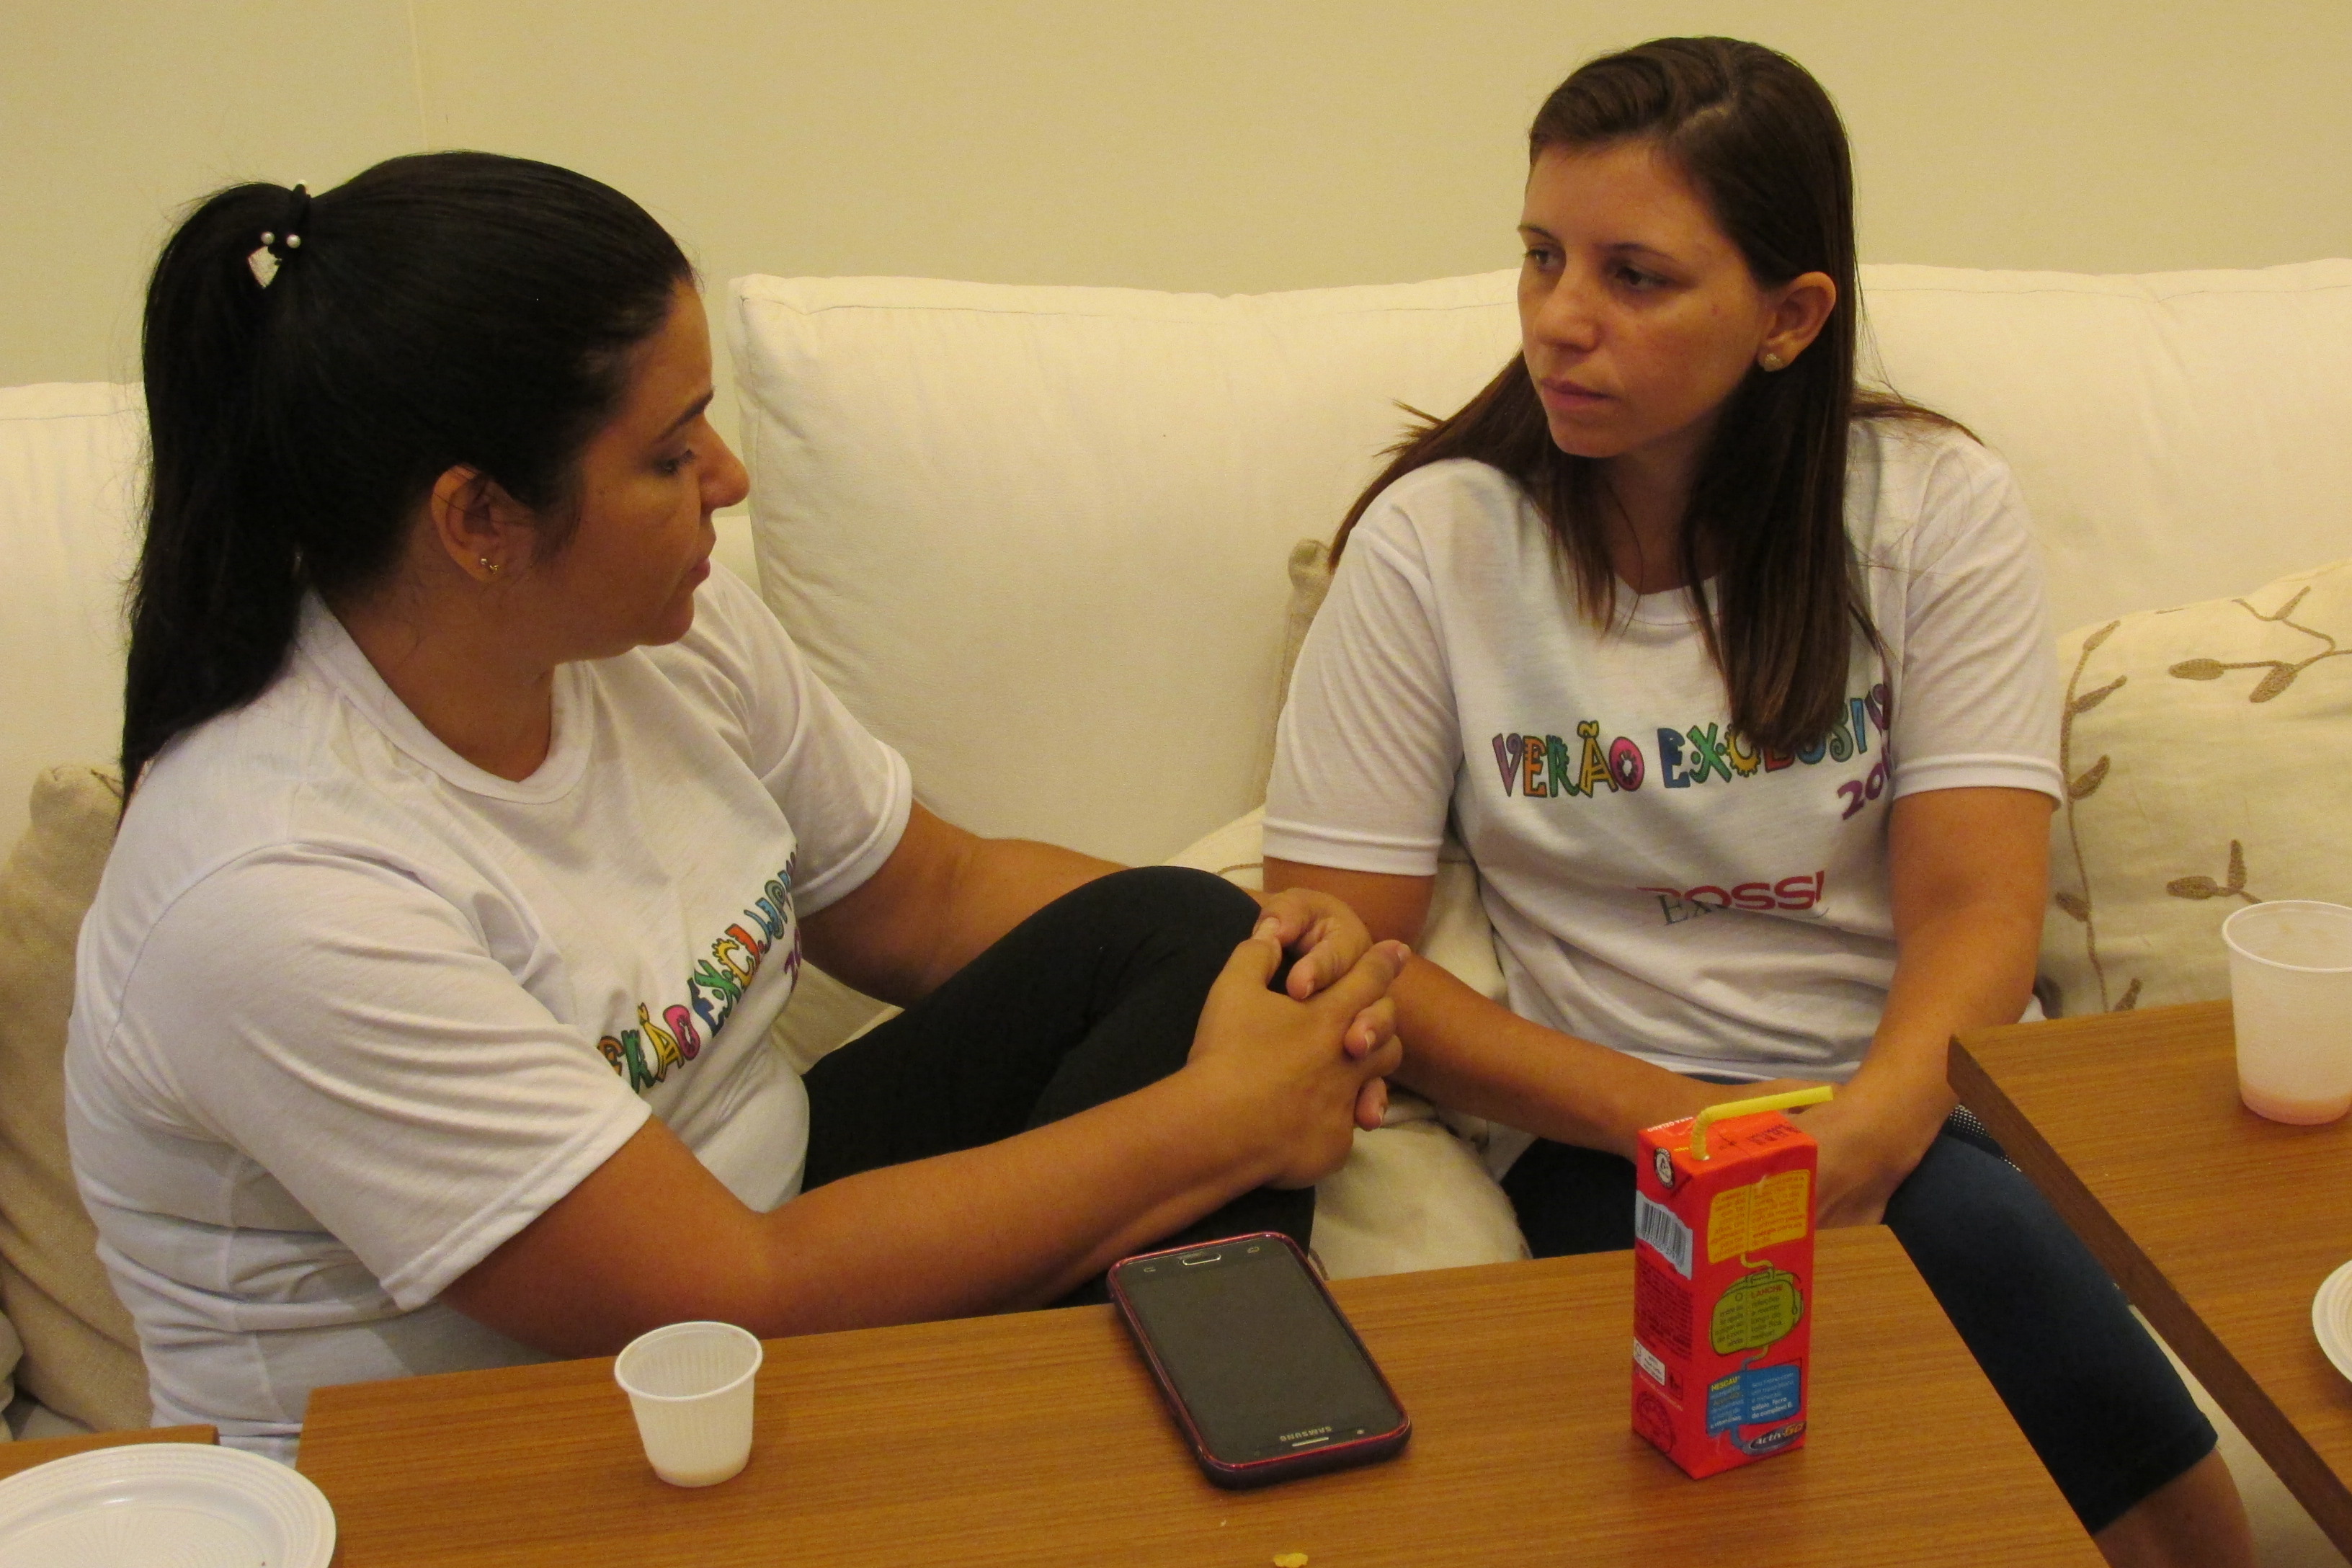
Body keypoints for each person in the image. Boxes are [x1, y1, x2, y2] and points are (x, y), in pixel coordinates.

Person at [65, 152, 1405, 1463]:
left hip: (764, 1227)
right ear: (479, 520)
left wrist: (1290, 960)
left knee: (1188, 941)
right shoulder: (276, 890)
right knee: (1200, 1152)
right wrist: (1223, 1119)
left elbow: (932, 897)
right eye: (667, 454)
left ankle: (1105, 1470)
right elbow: (727, 1297)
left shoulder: (661, 634)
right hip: (496, 1445)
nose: (729, 477)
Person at [1261, 38, 2252, 1568]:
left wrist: (1869, 1131)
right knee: (1764, 1459)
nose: (1558, 319)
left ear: (1790, 317)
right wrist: (1677, 1126)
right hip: (1604, 1132)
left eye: (1636, 277)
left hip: (1896, 1102)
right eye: (1541, 255)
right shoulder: (1438, 543)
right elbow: (1339, 955)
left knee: (2062, 1357)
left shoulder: (1929, 511)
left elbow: (1978, 906)